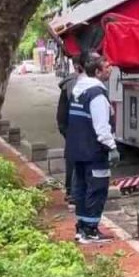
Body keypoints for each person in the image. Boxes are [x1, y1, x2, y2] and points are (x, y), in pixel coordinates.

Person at [66, 53, 120, 244]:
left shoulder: (78, 90)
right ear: (96, 72)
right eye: (106, 67)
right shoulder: (96, 94)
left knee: (80, 187)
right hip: (94, 151)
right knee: (96, 189)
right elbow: (101, 127)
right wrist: (112, 147)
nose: (110, 69)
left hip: (78, 150)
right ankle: (90, 230)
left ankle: (82, 227)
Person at [56, 55, 86, 208]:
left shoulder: (68, 84)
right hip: (76, 130)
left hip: (70, 129)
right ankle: (74, 193)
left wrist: (65, 130)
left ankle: (71, 192)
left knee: (72, 161)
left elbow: (60, 113)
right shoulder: (75, 84)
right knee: (77, 162)